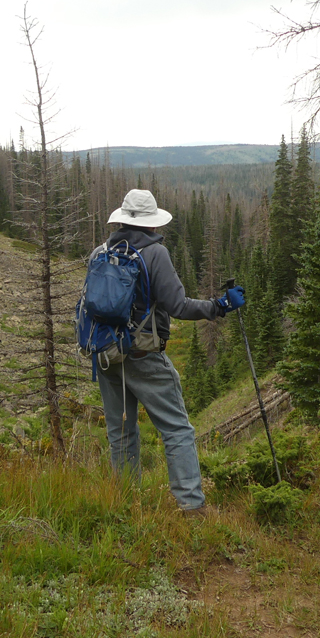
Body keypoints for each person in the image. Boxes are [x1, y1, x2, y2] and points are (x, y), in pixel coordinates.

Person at [90, 189, 245, 513]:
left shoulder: (100, 252)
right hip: (143, 355)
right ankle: (191, 506)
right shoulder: (154, 253)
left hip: (105, 354)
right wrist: (219, 306)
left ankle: (123, 503)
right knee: (176, 427)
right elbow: (178, 306)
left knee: (120, 432)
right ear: (150, 223)